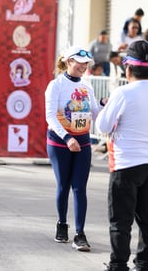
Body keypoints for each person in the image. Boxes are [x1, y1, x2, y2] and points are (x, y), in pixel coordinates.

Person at [96, 40, 148, 271]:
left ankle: (118, 265)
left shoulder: (123, 92)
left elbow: (103, 126)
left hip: (126, 165)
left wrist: (108, 107)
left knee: (121, 220)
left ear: (128, 69)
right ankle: (145, 264)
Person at [44, 45, 101, 252]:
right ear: (68, 62)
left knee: (80, 187)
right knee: (64, 185)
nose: (83, 67)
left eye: (86, 64)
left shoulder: (88, 87)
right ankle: (61, 224)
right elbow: (50, 116)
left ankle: (80, 233)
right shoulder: (56, 85)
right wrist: (67, 137)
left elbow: (95, 112)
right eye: (79, 62)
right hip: (60, 142)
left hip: (83, 141)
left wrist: (106, 106)